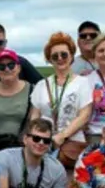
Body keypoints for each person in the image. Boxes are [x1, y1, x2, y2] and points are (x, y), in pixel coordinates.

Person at [29, 32, 93, 171]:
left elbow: (84, 115)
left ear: (71, 56)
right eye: (55, 56)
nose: (60, 58)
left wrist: (62, 136)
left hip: (72, 144)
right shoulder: (41, 85)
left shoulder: (82, 83)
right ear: (49, 60)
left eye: (64, 54)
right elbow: (35, 116)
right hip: (44, 143)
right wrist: (36, 138)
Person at [0, 49, 33, 157]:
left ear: (19, 68)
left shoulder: (32, 91)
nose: (7, 69)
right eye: (1, 66)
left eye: (11, 65)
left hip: (23, 150)